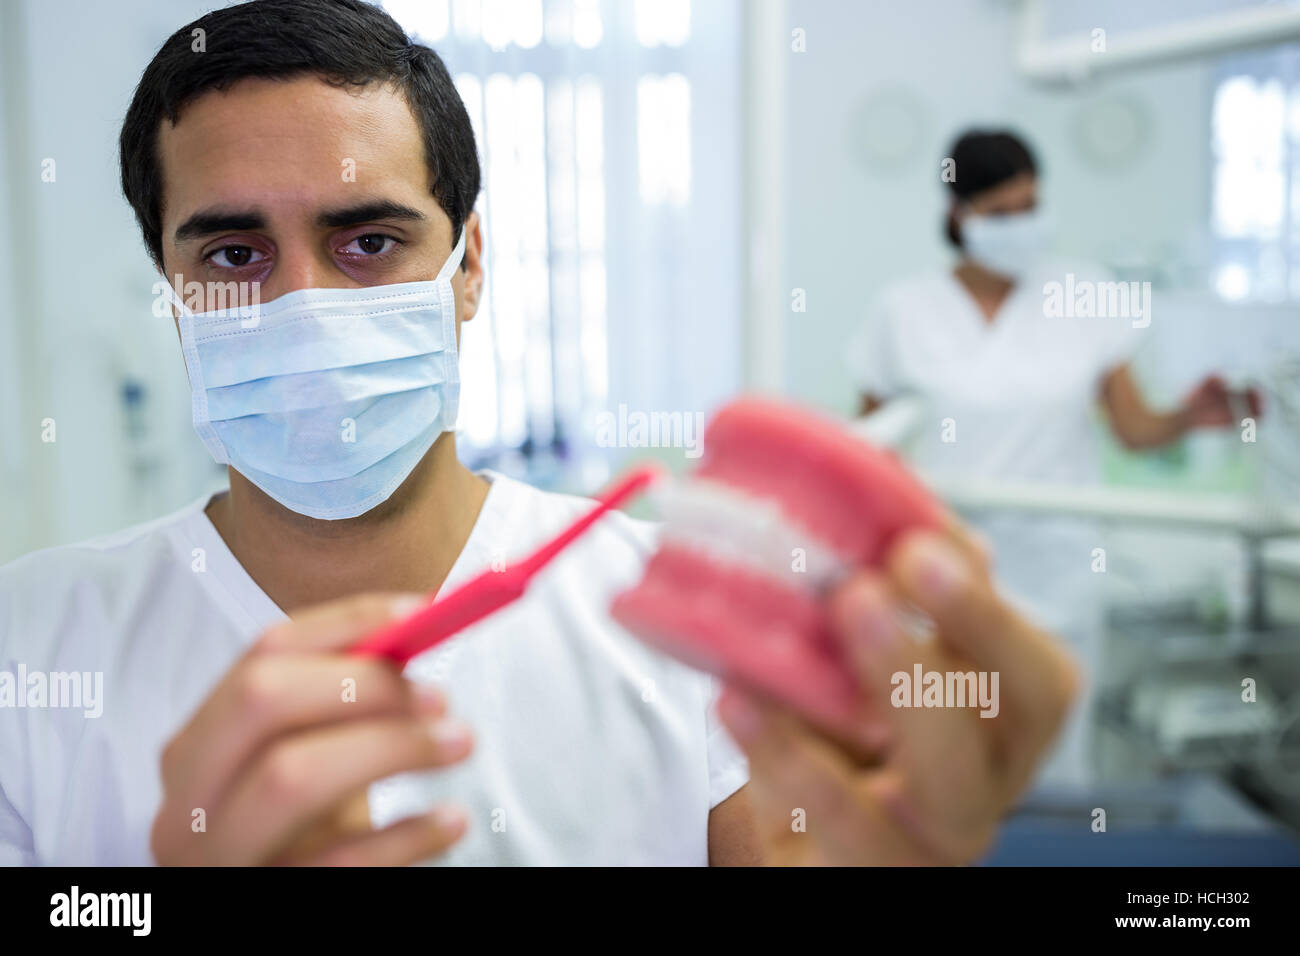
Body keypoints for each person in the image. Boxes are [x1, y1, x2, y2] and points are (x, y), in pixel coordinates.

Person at [0, 2, 1074, 866]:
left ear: (468, 265)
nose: (307, 303)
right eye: (234, 255)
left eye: (369, 239)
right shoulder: (30, 646)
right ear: (172, 291)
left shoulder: (676, 624)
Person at [848, 129, 1256, 787]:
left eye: (1031, 207)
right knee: (951, 776)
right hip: (946, 577)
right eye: (1000, 214)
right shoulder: (904, 310)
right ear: (958, 212)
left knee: (1055, 775)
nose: (1022, 227)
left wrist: (1189, 416)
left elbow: (1132, 428)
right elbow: (869, 454)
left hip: (1059, 574)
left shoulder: (1083, 294)